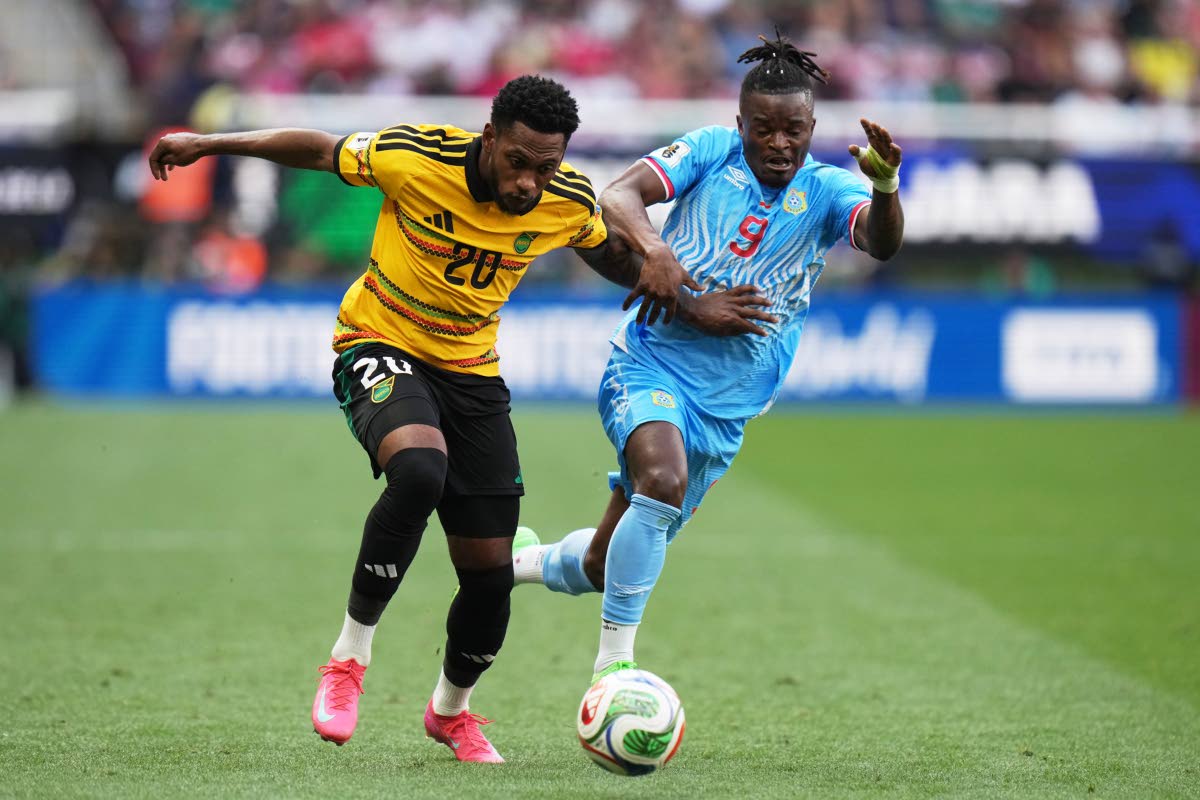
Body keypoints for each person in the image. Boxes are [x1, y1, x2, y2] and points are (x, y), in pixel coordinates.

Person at [147, 75, 696, 763]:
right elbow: (318, 150)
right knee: (418, 470)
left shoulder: (567, 200)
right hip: (379, 342)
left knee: (491, 572)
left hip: (472, 374)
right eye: (519, 162)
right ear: (490, 137)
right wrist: (207, 143)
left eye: (545, 167)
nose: (529, 182)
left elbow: (607, 253)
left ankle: (450, 712)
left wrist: (663, 266)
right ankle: (348, 662)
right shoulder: (417, 157)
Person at [511, 33, 906, 685]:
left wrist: (887, 187)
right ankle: (614, 671)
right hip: (649, 362)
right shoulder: (708, 151)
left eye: (794, 130)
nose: (779, 143)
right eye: (764, 129)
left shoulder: (831, 190)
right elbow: (617, 197)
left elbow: (882, 244)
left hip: (726, 413)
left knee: (605, 566)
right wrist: (664, 261)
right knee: (661, 482)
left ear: (812, 128)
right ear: (740, 124)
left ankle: (519, 563)